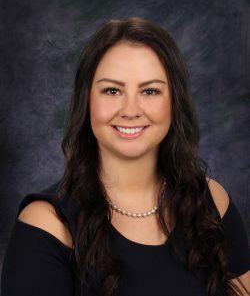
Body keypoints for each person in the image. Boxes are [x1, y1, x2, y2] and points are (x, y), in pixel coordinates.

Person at [1, 17, 249, 296]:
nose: (131, 109)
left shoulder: (212, 202)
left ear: (174, 102)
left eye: (150, 91)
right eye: (112, 90)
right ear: (87, 101)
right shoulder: (47, 225)